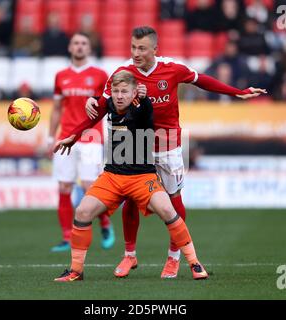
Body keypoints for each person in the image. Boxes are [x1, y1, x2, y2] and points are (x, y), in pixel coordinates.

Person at [85, 26, 267, 279]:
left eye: (142, 48)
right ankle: (129, 256)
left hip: (168, 145)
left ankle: (173, 258)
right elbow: (104, 102)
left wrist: (237, 92)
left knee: (173, 201)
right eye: (133, 48)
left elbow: (202, 80)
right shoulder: (123, 72)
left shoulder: (172, 68)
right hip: (135, 146)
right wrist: (90, 102)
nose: (136, 53)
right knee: (129, 199)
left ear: (154, 49)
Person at [53, 70, 208, 282]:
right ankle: (76, 271)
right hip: (112, 177)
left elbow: (144, 107)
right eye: (115, 91)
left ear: (134, 92)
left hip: (142, 177)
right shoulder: (110, 104)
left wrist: (142, 97)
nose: (119, 95)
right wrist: (93, 100)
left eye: (124, 91)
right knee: (82, 211)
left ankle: (194, 263)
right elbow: (100, 104)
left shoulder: (142, 107)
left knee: (168, 211)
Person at [48, 32, 115, 252]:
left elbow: (106, 106)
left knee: (90, 186)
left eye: (84, 43)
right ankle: (67, 238)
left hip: (90, 136)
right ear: (69, 47)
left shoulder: (99, 75)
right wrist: (51, 137)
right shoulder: (61, 76)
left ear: (89, 48)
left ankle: (105, 223)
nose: (79, 47)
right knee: (64, 186)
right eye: (76, 43)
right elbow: (57, 108)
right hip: (65, 136)